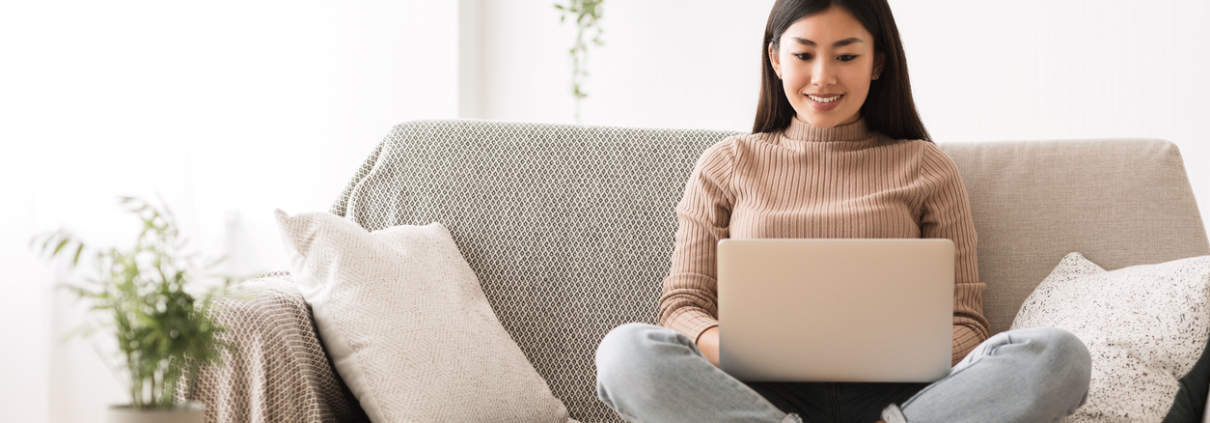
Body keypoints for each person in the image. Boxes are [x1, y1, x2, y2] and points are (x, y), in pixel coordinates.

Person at [593, 1, 1092, 422]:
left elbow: (966, 323)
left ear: (877, 62)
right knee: (625, 353)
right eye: (803, 55)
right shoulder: (727, 164)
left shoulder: (927, 166)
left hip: (903, 400)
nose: (822, 78)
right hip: (756, 394)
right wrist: (739, 350)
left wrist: (895, 354)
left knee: (1058, 356)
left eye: (846, 56)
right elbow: (682, 306)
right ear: (775, 59)